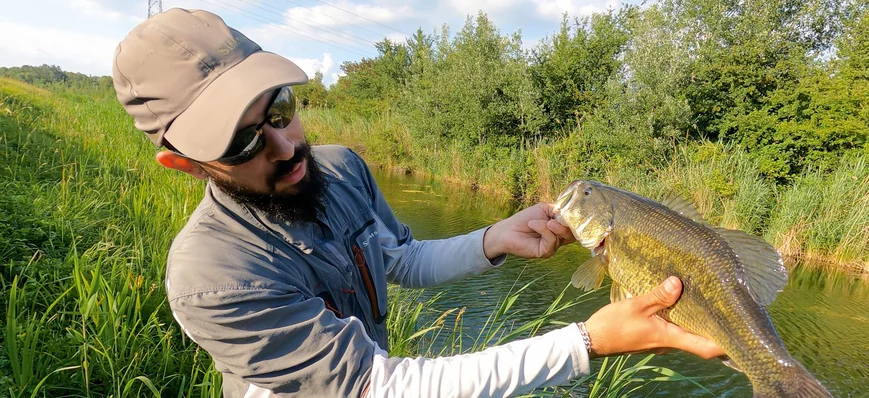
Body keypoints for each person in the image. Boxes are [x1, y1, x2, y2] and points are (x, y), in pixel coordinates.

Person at [112, 8, 724, 398]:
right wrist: (586, 342)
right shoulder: (213, 277)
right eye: (243, 139)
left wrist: (493, 239)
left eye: (279, 109)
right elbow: (378, 385)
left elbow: (397, 259)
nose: (284, 144)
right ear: (184, 164)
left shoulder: (342, 168)